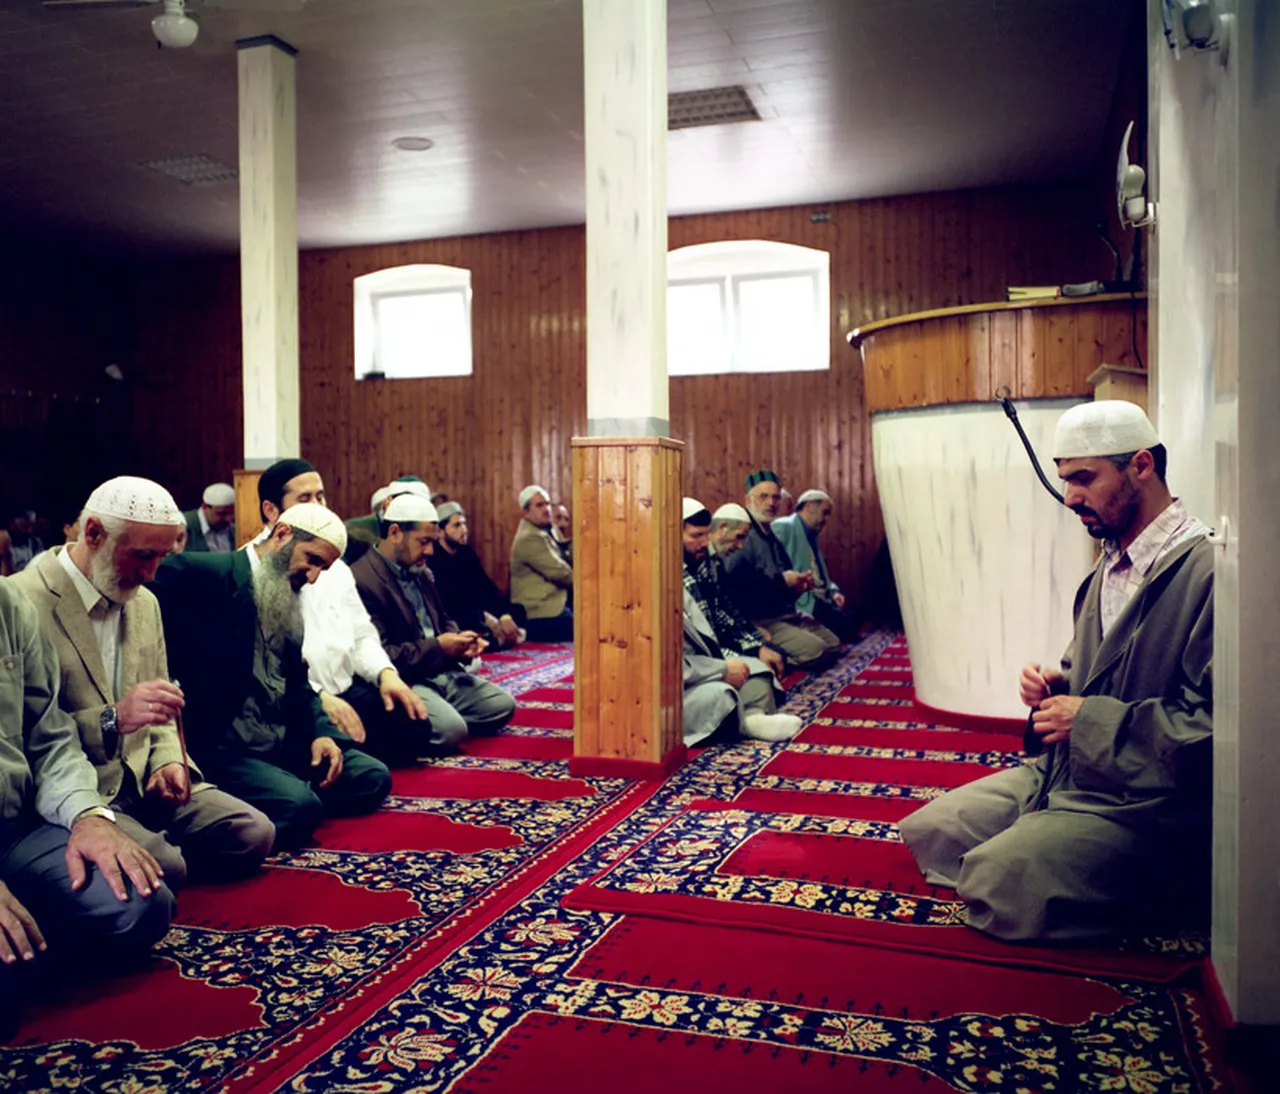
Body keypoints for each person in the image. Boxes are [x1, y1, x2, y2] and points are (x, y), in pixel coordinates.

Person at [899, 401, 1213, 942]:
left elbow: (1214, 731)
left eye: (1084, 479)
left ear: (1142, 466)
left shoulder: (1205, 572)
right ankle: (1050, 838)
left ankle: (1176, 887)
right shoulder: (1106, 565)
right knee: (933, 831)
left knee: (997, 880)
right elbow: (1092, 673)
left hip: (1144, 803)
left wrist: (1085, 719)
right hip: (1068, 773)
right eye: (1066, 479)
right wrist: (1057, 687)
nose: (1069, 497)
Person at [13, 476, 274, 884]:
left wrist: (169, 760)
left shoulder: (144, 601)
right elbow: (32, 735)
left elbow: (161, 703)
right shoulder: (24, 601)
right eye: (143, 556)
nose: (152, 574)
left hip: (142, 778)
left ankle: (149, 857)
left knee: (253, 833)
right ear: (93, 534)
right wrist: (112, 719)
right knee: (167, 866)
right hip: (84, 789)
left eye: (162, 558)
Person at [151, 502, 391, 852]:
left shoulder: (287, 595)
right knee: (300, 809)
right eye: (312, 559)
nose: (312, 577)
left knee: (371, 777)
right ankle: (266, 799)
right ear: (282, 534)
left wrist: (321, 734)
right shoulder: (203, 573)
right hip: (226, 747)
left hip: (279, 738)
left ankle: (278, 790)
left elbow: (298, 684)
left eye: (322, 568)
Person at [0, 580, 175, 1035]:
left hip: (15, 827)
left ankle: (26, 937)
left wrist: (88, 816)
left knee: (143, 904)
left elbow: (50, 738)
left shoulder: (9, 604)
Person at [251, 460, 430, 768]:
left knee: (416, 726)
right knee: (350, 759)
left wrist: (386, 675)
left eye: (320, 496)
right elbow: (270, 666)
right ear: (271, 511)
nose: (318, 506)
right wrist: (320, 698)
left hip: (347, 689)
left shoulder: (336, 567)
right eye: (305, 498)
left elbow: (361, 634)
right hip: (301, 700)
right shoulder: (257, 569)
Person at [352, 495, 517, 748]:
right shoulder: (362, 579)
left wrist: (460, 643)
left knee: (503, 706)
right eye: (424, 542)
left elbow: (444, 619)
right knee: (451, 731)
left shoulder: (420, 570)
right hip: (407, 679)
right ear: (395, 533)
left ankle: (435, 716)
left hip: (442, 672)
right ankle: (423, 722)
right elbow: (383, 655)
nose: (430, 551)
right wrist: (440, 648)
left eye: (432, 541)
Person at [681, 499, 799, 745]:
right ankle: (746, 720)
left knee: (758, 673)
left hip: (708, 662)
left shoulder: (700, 565)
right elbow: (672, 664)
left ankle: (752, 718)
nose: (705, 542)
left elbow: (723, 614)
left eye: (705, 535)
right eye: (696, 536)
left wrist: (753, 647)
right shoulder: (662, 580)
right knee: (721, 694)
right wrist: (722, 669)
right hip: (686, 679)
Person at [721, 471, 840, 671]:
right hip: (762, 619)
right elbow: (738, 586)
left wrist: (798, 584)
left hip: (785, 612)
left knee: (833, 644)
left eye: (775, 497)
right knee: (818, 651)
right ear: (748, 500)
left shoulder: (770, 534)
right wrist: (783, 582)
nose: (771, 503)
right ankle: (768, 658)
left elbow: (785, 579)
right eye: (763, 497)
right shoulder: (743, 535)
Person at [429, 501, 526, 649]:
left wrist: (503, 616)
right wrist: (485, 617)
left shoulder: (466, 553)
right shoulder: (433, 558)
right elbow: (450, 602)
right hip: (455, 615)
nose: (464, 530)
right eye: (457, 525)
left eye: (464, 524)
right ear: (439, 532)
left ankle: (497, 636)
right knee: (467, 621)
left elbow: (485, 587)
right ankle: (494, 639)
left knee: (517, 610)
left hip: (477, 611)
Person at [773, 489, 860, 643]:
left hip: (820, 596)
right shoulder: (784, 527)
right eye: (824, 513)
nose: (826, 519)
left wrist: (834, 592)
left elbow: (821, 575)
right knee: (848, 626)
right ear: (808, 507)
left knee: (858, 613)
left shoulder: (811, 535)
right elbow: (776, 569)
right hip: (803, 598)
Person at [510, 485, 574, 641]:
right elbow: (560, 573)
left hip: (558, 600)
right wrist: (591, 585)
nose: (546, 509)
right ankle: (528, 633)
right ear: (526, 512)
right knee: (587, 625)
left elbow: (566, 552)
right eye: (539, 505)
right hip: (542, 610)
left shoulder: (549, 529)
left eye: (548, 504)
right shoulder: (529, 537)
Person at [183, 483, 236, 554]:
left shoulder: (234, 531)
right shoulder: (184, 526)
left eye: (232, 513)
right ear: (205, 507)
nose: (228, 519)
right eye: (222, 514)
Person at [0, 509, 44, 575]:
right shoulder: (3, 541)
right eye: (25, 527)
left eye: (32, 527)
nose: (29, 531)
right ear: (12, 525)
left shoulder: (35, 542)